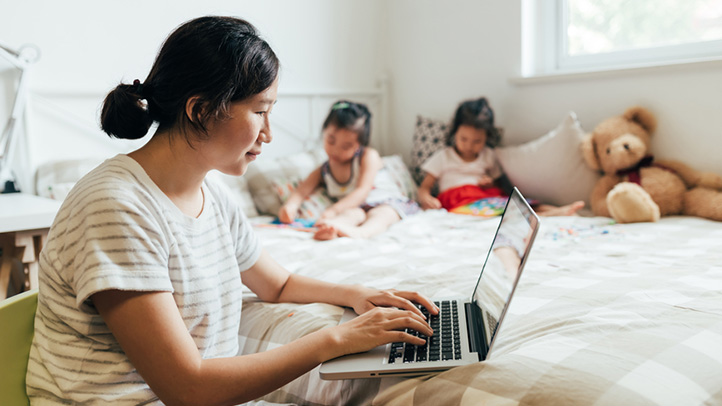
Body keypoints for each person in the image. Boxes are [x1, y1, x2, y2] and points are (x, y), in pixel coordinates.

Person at [26, 16, 438, 405]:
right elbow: (187, 389)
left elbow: (276, 285)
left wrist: (361, 295)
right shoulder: (116, 206)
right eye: (260, 111)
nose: (269, 133)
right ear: (200, 110)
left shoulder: (213, 195)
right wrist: (336, 339)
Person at [278, 101, 420, 240]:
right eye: (331, 141)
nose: (335, 150)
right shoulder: (324, 170)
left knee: (382, 214)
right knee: (351, 215)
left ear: (359, 145)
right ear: (324, 132)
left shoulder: (368, 156)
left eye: (346, 146)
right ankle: (332, 229)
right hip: (358, 209)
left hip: (388, 202)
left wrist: (333, 211)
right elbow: (301, 191)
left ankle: (362, 232)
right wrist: (291, 206)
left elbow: (362, 191)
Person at [417, 97, 584, 216]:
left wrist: (489, 182)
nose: (469, 145)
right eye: (463, 139)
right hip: (457, 200)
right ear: (455, 133)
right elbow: (424, 187)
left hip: (485, 196)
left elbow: (499, 182)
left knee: (516, 204)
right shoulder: (444, 156)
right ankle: (548, 215)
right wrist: (427, 198)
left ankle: (556, 210)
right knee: (503, 213)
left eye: (477, 141)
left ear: (486, 138)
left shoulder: (487, 155)